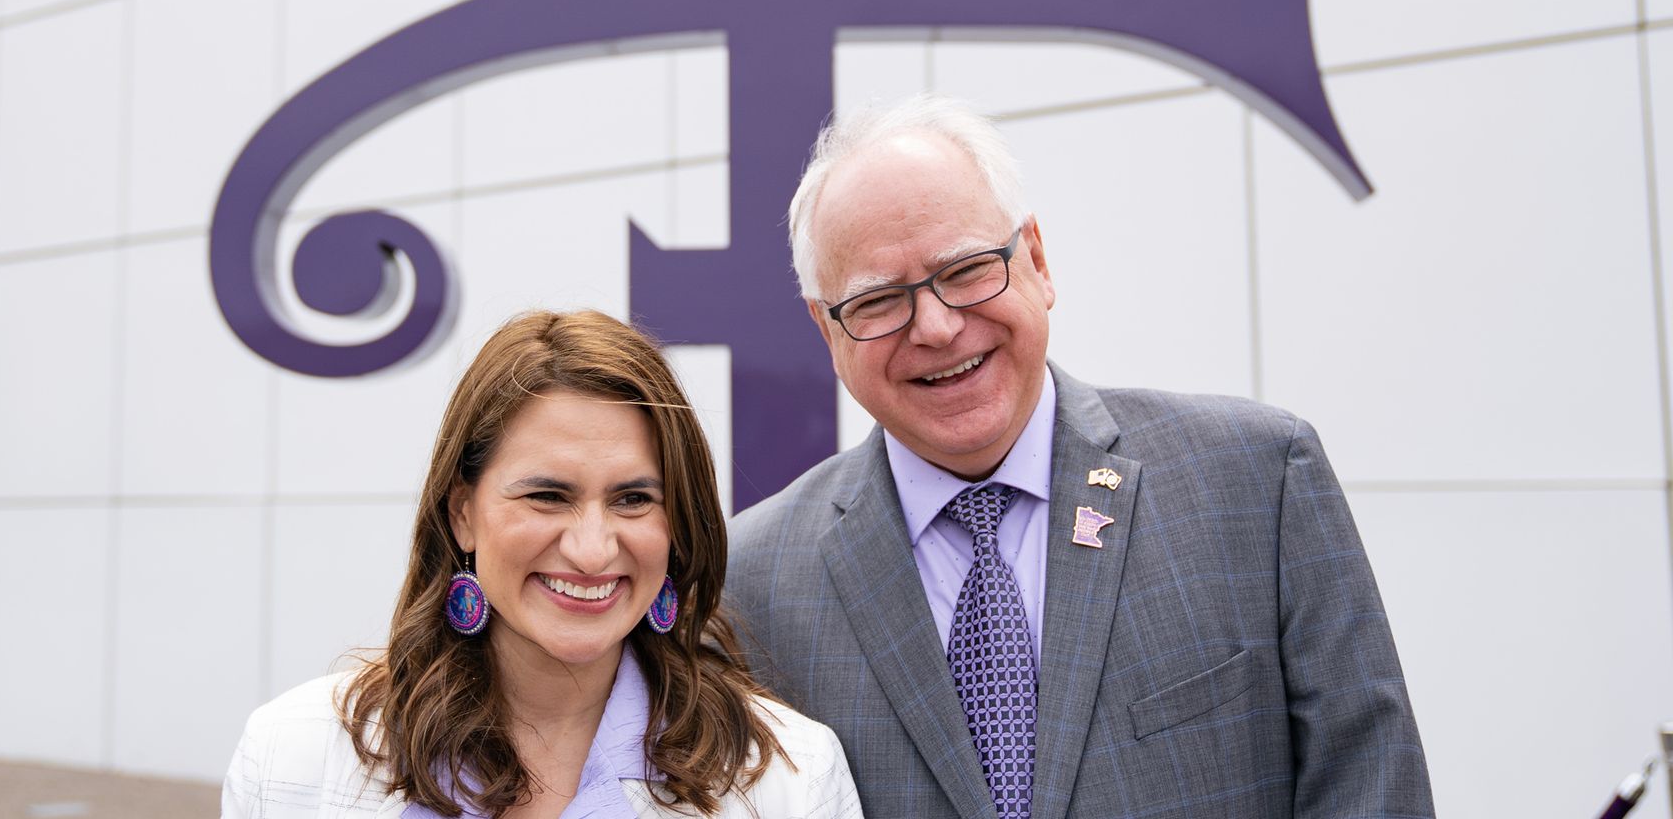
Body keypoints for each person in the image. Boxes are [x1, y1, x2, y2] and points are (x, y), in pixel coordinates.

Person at [725, 96, 1434, 819]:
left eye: (967, 270)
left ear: (1035, 259)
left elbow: (1371, 788)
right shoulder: (751, 586)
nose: (936, 327)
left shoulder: (1256, 483)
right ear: (826, 328)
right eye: (878, 301)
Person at [223, 310, 863, 818]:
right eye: (547, 496)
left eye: (634, 499)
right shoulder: (293, 756)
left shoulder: (790, 780)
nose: (591, 550)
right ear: (462, 512)